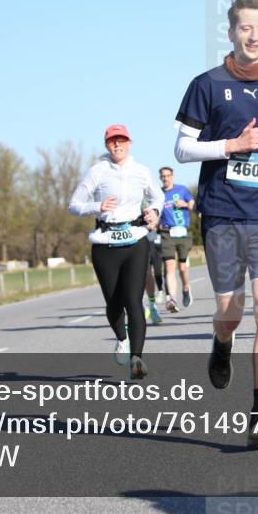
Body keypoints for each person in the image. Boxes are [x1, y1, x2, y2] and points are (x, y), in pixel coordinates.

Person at [173, 0, 258, 448]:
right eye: (245, 28)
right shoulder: (206, 84)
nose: (253, 36)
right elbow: (182, 149)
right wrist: (231, 145)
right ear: (231, 32)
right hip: (223, 213)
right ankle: (222, 340)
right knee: (231, 315)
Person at [69, 124, 162, 379]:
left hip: (135, 240)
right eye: (112, 141)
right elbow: (74, 205)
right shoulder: (97, 171)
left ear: (129, 142)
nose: (117, 145)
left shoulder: (141, 171)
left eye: (121, 140)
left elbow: (157, 198)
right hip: (105, 243)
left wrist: (154, 212)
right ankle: (122, 338)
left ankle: (137, 359)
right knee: (114, 302)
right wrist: (97, 205)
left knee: (134, 301)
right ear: (106, 145)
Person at [158, 166, 195, 311]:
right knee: (169, 266)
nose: (165, 178)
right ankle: (172, 299)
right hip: (167, 233)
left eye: (168, 176)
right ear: (160, 177)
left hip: (183, 232)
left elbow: (192, 205)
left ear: (172, 176)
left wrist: (185, 204)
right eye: (163, 176)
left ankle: (186, 287)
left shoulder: (182, 190)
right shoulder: (159, 194)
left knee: (183, 267)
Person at [143, 229, 164, 325]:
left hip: (146, 235)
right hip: (126, 236)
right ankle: (140, 305)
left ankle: (152, 306)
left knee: (147, 271)